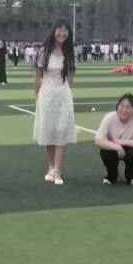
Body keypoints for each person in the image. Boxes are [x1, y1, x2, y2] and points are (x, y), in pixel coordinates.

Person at [33, 18, 77, 186]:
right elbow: (37, 77)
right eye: (59, 29)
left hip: (63, 95)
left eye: (65, 30)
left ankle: (57, 169)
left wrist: (63, 90)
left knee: (61, 130)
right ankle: (51, 167)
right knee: (48, 130)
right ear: (54, 31)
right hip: (46, 95)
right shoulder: (43, 52)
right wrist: (38, 97)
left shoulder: (69, 53)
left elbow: (71, 79)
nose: (62, 33)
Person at [95, 93, 133, 185]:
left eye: (128, 107)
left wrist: (120, 142)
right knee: (105, 152)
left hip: (129, 147)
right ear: (117, 107)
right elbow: (98, 140)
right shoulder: (109, 118)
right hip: (113, 147)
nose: (124, 110)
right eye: (122, 106)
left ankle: (131, 175)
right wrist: (117, 147)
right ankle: (112, 175)